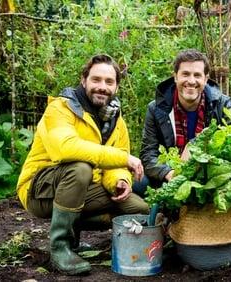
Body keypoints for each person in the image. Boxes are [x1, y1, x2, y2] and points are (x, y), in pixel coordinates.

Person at [16, 54, 149, 275]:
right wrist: (124, 159)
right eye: (96, 80)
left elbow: (114, 165)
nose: (102, 87)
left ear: (116, 86)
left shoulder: (117, 121)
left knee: (138, 208)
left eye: (109, 82)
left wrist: (120, 180)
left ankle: (75, 232)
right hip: (39, 190)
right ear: (83, 79)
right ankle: (60, 247)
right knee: (80, 168)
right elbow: (65, 148)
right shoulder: (61, 108)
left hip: (82, 188)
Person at [140, 49, 231, 186]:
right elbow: (148, 154)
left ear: (206, 79)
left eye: (197, 75)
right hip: (170, 174)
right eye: (185, 74)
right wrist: (169, 173)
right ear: (175, 77)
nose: (191, 81)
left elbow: (230, 148)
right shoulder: (156, 109)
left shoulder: (222, 105)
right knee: (139, 183)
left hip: (209, 175)